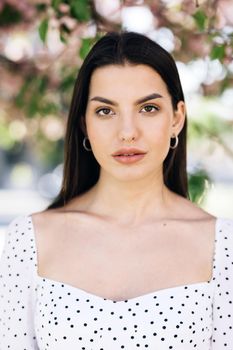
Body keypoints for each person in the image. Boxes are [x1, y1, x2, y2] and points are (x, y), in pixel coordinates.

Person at [0, 30, 232, 350]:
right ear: (84, 123)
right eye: (105, 111)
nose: (127, 132)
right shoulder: (28, 240)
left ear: (177, 118)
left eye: (148, 108)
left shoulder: (223, 247)